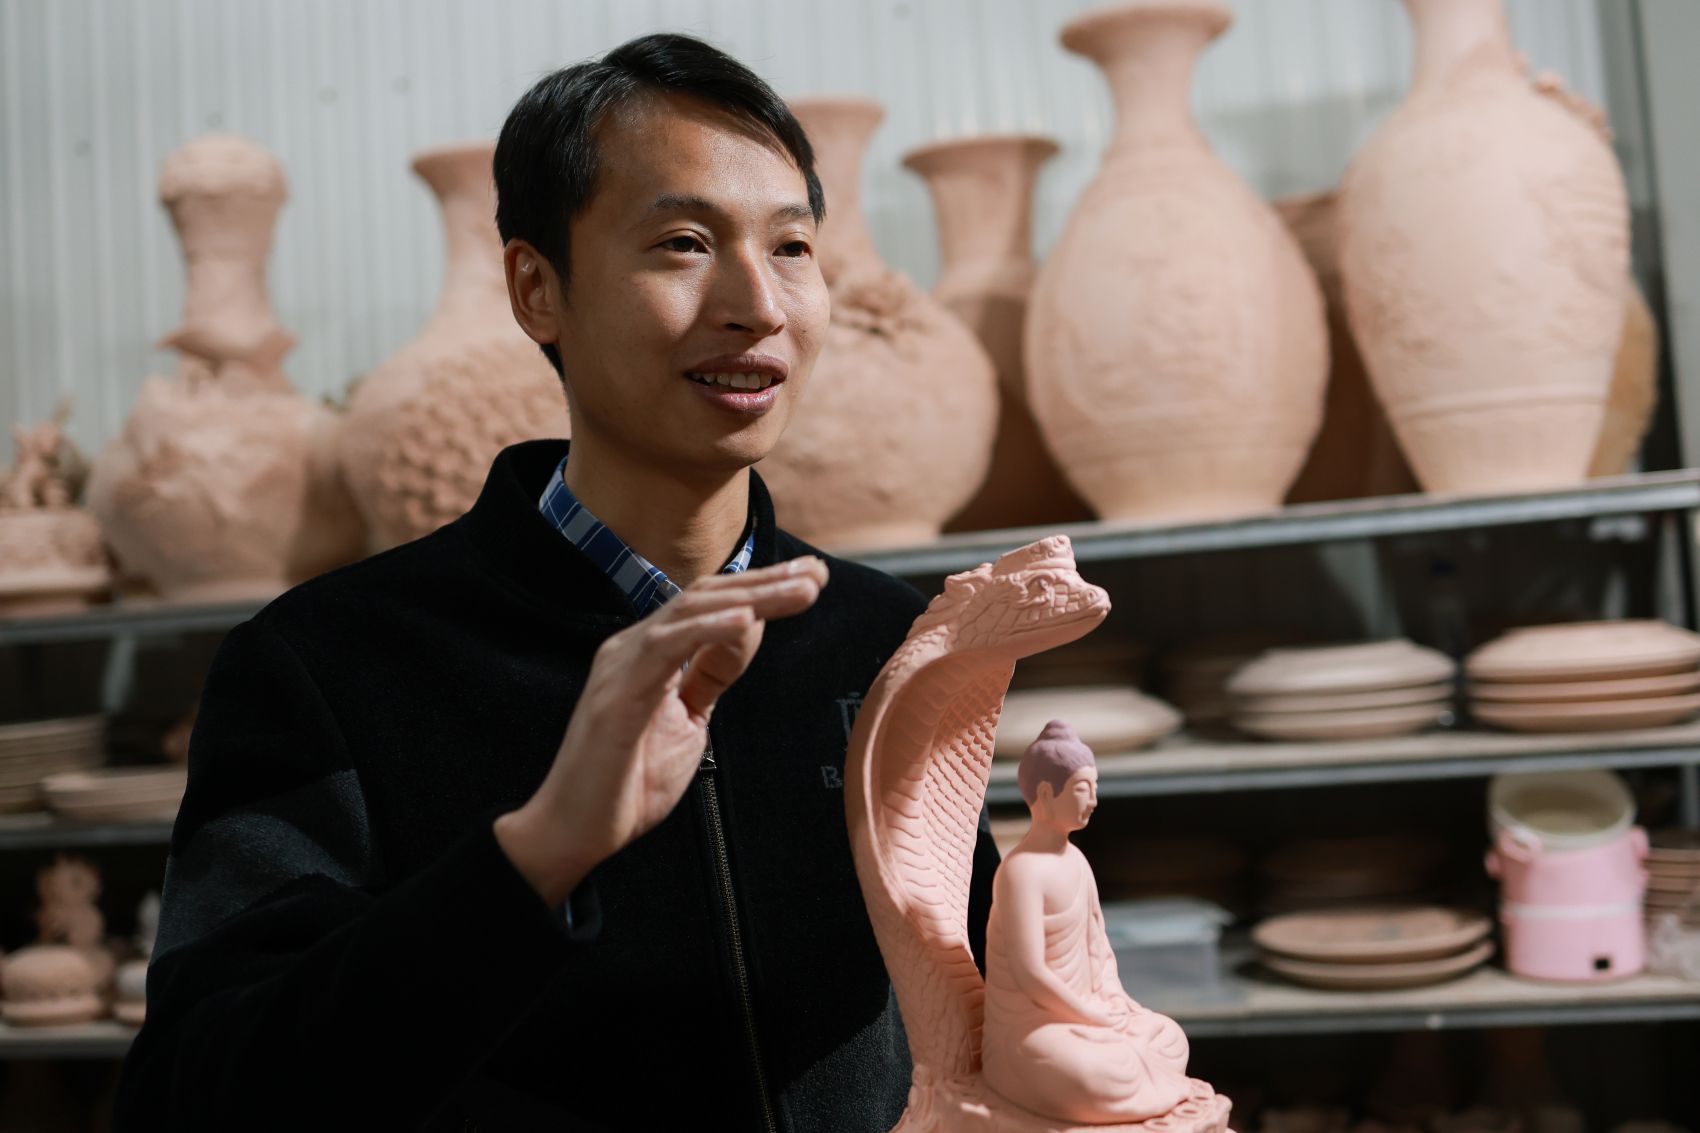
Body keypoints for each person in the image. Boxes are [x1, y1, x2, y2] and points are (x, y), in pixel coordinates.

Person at [114, 32, 999, 1133]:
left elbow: (979, 1017)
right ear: (537, 289)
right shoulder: (326, 666)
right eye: (683, 241)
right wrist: (537, 852)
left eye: (790, 246)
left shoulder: (883, 637)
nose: (758, 304)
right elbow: (195, 1097)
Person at [980, 719, 1192, 1123]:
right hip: (1033, 1028)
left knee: (1169, 1037)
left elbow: (1098, 948)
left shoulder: (1077, 861)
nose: (1093, 799)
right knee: (1087, 1073)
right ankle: (1125, 1086)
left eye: (1094, 788)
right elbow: (1031, 973)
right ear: (1045, 793)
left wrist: (1116, 1000)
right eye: (1083, 789)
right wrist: (1088, 1016)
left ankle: (1129, 1079)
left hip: (1087, 1014)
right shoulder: (1021, 871)